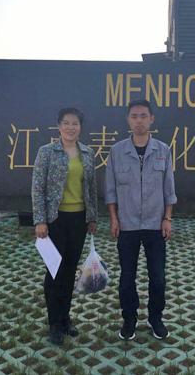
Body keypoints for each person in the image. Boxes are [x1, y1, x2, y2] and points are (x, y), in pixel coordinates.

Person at [105, 98, 177, 340]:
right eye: (134, 116)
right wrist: (113, 218)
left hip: (155, 224)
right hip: (127, 224)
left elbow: (169, 189)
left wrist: (167, 218)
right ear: (128, 120)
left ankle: (156, 318)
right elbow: (111, 190)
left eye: (144, 116)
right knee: (127, 277)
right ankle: (129, 318)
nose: (139, 121)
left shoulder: (163, 150)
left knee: (158, 277)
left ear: (152, 119)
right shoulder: (117, 151)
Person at [32, 107, 98, 346]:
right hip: (55, 220)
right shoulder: (47, 152)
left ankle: (65, 318)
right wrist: (40, 220)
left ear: (81, 127)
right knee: (54, 272)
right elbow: (37, 188)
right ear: (59, 126)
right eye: (66, 123)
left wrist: (92, 218)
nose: (71, 127)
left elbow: (91, 188)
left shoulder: (87, 153)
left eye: (75, 123)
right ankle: (54, 323)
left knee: (69, 271)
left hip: (78, 220)